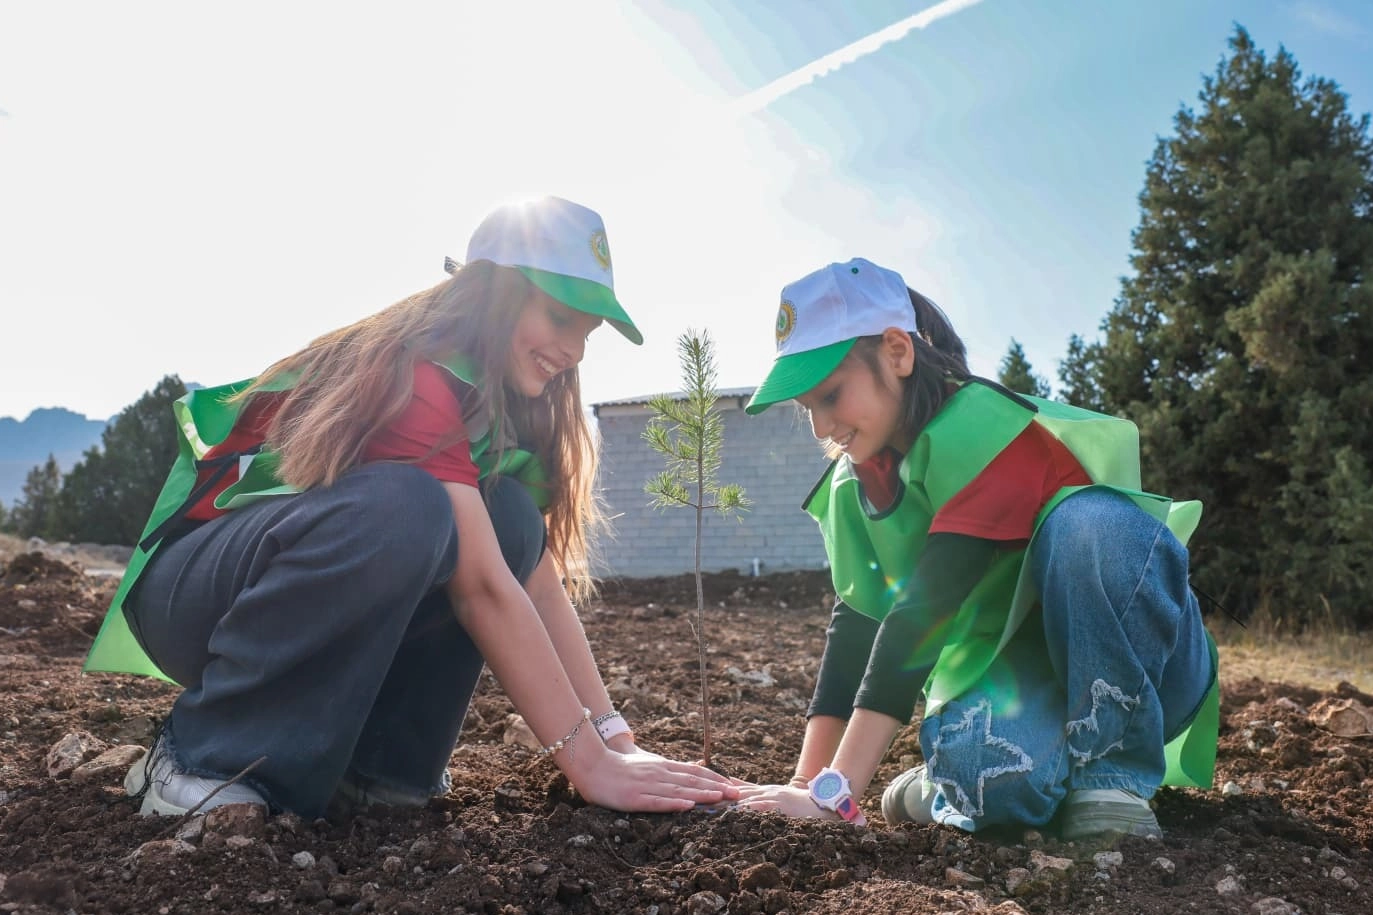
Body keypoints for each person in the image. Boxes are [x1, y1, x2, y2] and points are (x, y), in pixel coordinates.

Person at [84, 196, 738, 819]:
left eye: (587, 330)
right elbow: (483, 587)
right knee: (409, 508)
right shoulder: (417, 376)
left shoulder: (503, 403)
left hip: (272, 579)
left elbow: (532, 582)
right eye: (560, 316)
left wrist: (615, 741)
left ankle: (377, 770)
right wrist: (589, 767)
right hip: (193, 589)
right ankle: (201, 754)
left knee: (505, 517)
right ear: (493, 291)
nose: (574, 349)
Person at [733, 258, 1218, 839]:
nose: (819, 426)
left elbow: (921, 615)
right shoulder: (855, 484)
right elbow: (857, 629)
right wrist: (809, 785)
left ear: (897, 351)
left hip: (1146, 664)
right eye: (806, 407)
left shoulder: (986, 434)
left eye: (831, 395)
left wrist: (839, 794)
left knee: (1091, 523)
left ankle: (1111, 779)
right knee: (992, 775)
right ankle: (955, 781)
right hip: (1024, 684)